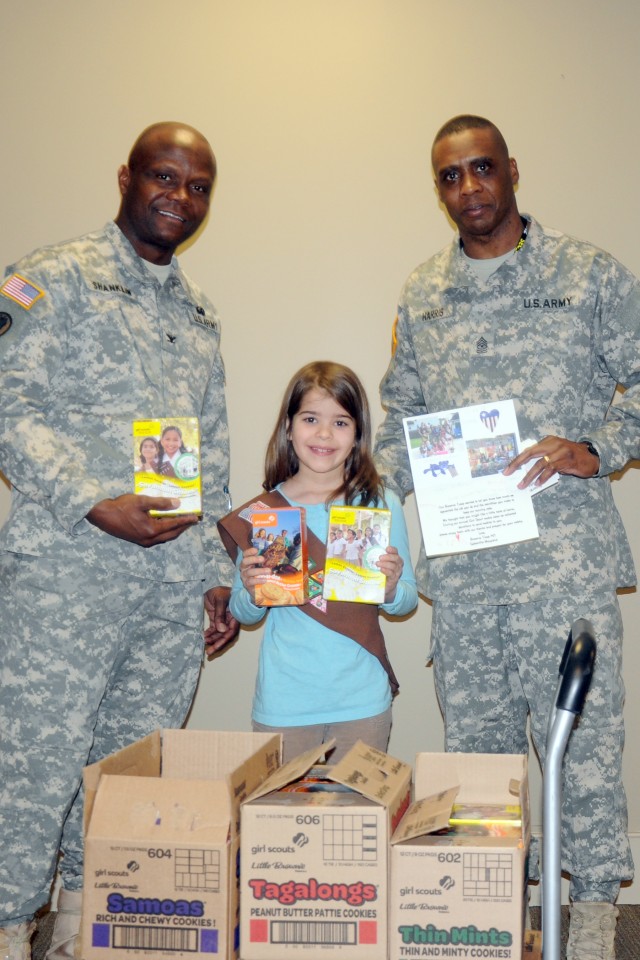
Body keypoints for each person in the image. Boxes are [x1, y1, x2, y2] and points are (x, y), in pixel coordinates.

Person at [374, 114, 640, 959]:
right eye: (450, 177)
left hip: (563, 567)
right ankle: (493, 920)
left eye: (481, 169)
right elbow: (401, 418)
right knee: (479, 765)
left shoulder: (589, 274)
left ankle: (595, 919)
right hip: (467, 577)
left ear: (512, 170)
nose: (469, 189)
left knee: (586, 756)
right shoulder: (423, 292)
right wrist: (340, 495)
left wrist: (596, 449)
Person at [0, 121, 238, 960]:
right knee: (31, 773)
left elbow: (209, 453)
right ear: (126, 176)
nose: (179, 196)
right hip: (63, 583)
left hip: (168, 593)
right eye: (164, 177)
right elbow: (7, 406)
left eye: (198, 185)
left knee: (123, 780)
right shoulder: (51, 277)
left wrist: (214, 572)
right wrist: (94, 499)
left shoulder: (200, 313)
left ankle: (77, 932)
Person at [214, 361, 417, 763]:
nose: (324, 434)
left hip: (362, 701)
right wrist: (252, 591)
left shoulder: (380, 504)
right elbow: (244, 613)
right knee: (280, 820)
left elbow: (407, 600)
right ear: (288, 427)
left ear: (358, 433)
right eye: (310, 419)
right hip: (285, 701)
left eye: (341, 423)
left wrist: (391, 589)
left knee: (356, 821)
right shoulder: (264, 513)